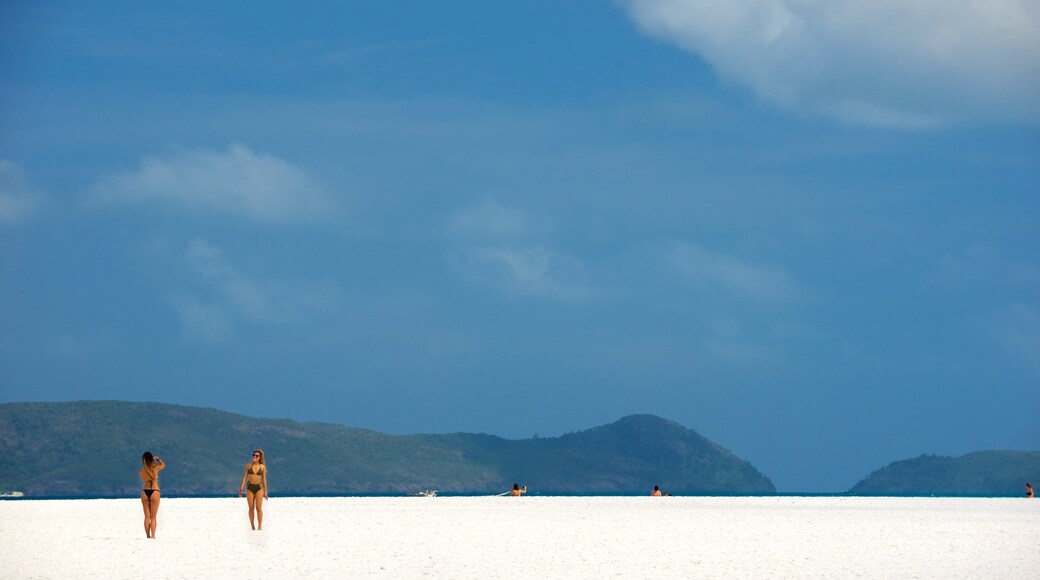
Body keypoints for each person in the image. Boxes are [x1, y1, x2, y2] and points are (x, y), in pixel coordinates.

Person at [239, 449, 269, 530]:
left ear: (260, 457)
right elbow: (244, 477)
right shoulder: (249, 465)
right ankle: (252, 526)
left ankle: (259, 526)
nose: (255, 457)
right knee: (251, 508)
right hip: (250, 487)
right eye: (254, 455)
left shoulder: (262, 467)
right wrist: (241, 489)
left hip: (259, 488)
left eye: (257, 456)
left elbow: (264, 480)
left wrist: (265, 492)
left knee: (258, 508)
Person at [139, 451, 165, 539]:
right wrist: (157, 459)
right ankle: (153, 535)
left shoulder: (141, 472)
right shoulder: (155, 469)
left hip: (144, 492)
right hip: (155, 491)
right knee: (153, 517)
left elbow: (146, 470)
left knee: (147, 517)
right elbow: (163, 465)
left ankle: (147, 535)